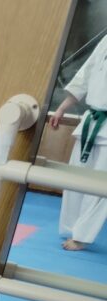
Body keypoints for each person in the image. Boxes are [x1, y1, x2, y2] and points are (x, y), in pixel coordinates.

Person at [50, 33, 107, 251]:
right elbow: (85, 75)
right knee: (75, 176)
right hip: (91, 121)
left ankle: (82, 236)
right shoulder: (106, 40)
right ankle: (71, 227)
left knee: (100, 186)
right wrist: (62, 108)